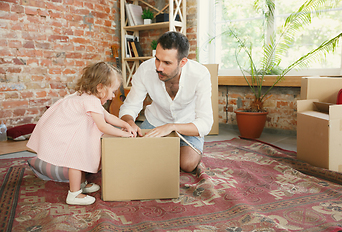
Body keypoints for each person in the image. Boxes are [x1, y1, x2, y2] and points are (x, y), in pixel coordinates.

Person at [27, 62, 136, 205]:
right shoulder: (91, 101)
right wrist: (122, 134)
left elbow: (108, 116)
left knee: (82, 158)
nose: (113, 95)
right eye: (112, 91)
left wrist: (126, 124)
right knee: (76, 163)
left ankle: (82, 184)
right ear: (100, 87)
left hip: (78, 135)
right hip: (70, 136)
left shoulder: (89, 97)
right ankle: (74, 193)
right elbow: (103, 126)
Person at [119, 31, 213, 173]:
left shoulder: (200, 75)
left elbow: (205, 123)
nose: (158, 68)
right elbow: (130, 106)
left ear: (183, 62)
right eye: (157, 59)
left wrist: (171, 127)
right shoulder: (145, 70)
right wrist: (129, 122)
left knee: (187, 164)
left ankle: (168, 150)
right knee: (129, 156)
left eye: (167, 63)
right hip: (155, 122)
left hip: (187, 125)